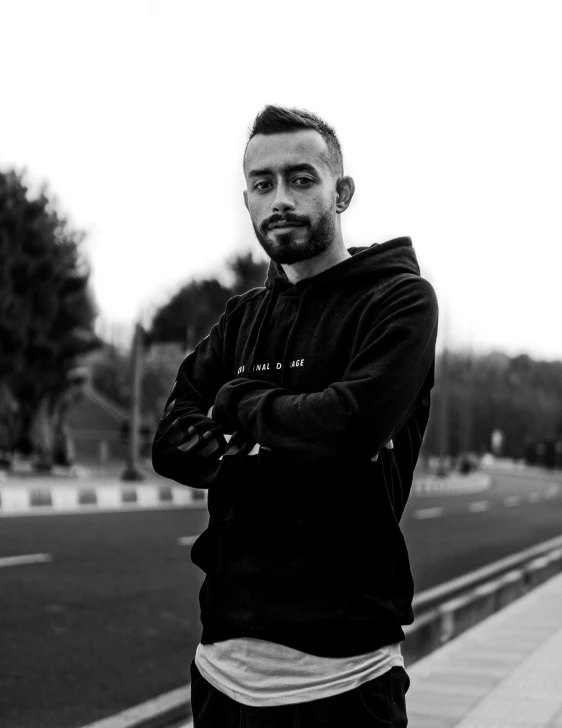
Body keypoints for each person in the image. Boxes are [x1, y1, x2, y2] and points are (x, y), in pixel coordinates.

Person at [152, 105, 439, 727]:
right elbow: (171, 442)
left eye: (302, 179)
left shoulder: (399, 301)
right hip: (221, 665)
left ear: (342, 191)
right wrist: (298, 438)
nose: (280, 198)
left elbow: (352, 425)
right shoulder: (242, 318)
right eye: (263, 184)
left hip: (344, 677)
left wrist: (236, 403)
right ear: (248, 198)